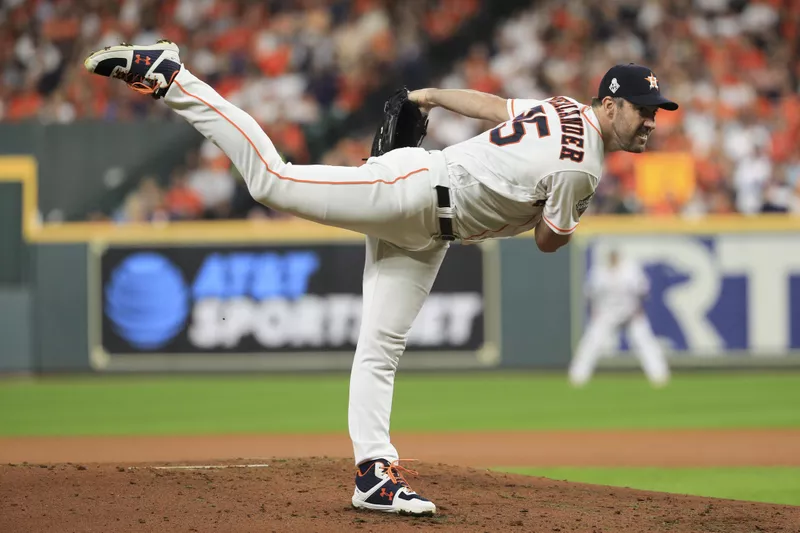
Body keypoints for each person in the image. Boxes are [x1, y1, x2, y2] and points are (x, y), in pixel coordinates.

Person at [84, 40, 678, 515]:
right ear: (611, 104)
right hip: (413, 192)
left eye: (657, 111)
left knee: (380, 348)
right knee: (271, 181)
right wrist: (568, 211)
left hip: (431, 229)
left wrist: (428, 95)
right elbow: (549, 242)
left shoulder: (564, 108)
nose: (652, 120)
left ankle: (373, 473)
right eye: (644, 109)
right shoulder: (584, 167)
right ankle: (171, 77)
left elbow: (493, 106)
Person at [569, 248, 670, 388]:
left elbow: (643, 291)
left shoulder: (630, 270)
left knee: (645, 342)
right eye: (611, 257)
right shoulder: (599, 272)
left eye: (615, 257)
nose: (613, 259)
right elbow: (589, 294)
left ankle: (659, 376)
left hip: (631, 314)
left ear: (619, 258)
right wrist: (594, 311)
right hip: (606, 314)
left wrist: (640, 308)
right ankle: (577, 377)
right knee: (591, 343)